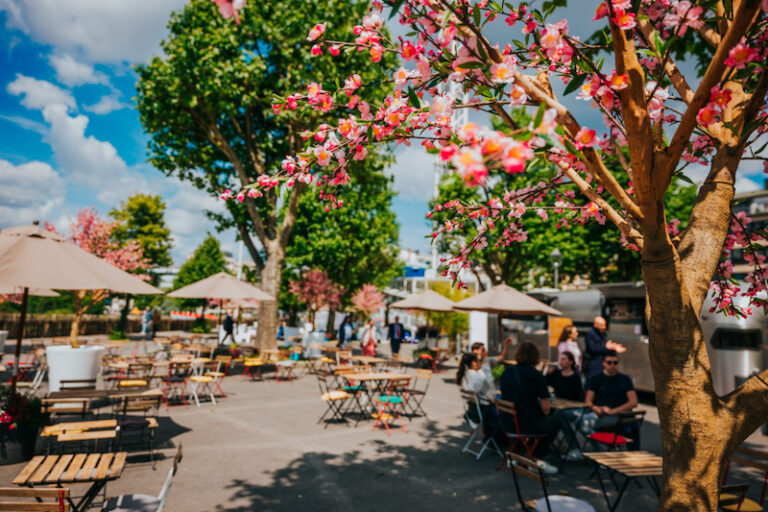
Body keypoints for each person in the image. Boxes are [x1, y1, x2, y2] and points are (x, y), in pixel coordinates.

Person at [500, 342, 574, 474]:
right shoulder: (536, 375)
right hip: (525, 425)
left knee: (538, 419)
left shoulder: (507, 372)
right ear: (536, 357)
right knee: (557, 420)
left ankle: (521, 455)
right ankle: (536, 458)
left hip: (507, 422)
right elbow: (546, 408)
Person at [582, 350, 639, 447]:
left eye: (615, 363)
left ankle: (602, 451)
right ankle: (602, 449)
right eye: (609, 362)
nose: (612, 365)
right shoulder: (595, 378)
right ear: (603, 363)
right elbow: (588, 401)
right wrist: (596, 408)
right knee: (581, 421)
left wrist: (613, 411)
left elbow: (633, 402)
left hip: (618, 416)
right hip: (600, 414)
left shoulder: (625, 379)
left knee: (584, 423)